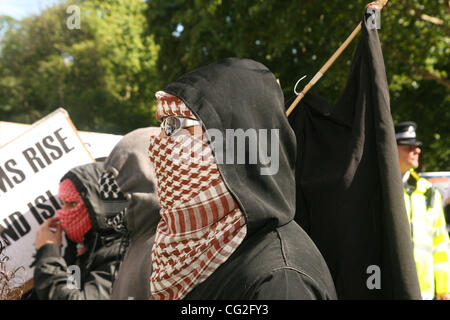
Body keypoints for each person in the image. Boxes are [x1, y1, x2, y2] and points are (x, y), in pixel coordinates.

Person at [147, 57, 337, 300]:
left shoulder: (281, 281)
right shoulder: (204, 246)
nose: (157, 144)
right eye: (162, 124)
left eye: (174, 124)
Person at [33, 162, 123, 299]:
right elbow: (71, 287)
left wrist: (48, 254)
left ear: (97, 206)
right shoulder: (85, 252)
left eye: (73, 204)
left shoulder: (121, 255)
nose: (64, 212)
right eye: (63, 203)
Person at [98, 127, 161, 300]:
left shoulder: (165, 251)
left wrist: (49, 254)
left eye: (71, 203)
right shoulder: (132, 241)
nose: (109, 191)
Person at [395, 121, 450, 300]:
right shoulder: (381, 190)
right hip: (389, 289)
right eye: (409, 147)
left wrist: (444, 288)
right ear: (391, 149)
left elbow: (440, 244)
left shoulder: (429, 192)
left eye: (417, 146)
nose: (417, 150)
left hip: (424, 294)